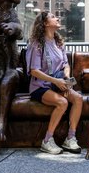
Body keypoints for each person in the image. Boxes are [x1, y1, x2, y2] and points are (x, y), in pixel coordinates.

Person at [26, 11, 83, 154]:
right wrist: (56, 81)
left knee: (78, 98)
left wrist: (66, 78)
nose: (57, 18)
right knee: (62, 102)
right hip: (40, 86)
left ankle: (70, 138)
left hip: (57, 83)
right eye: (53, 17)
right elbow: (34, 71)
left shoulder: (58, 43)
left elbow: (66, 64)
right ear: (45, 24)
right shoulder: (36, 44)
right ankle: (47, 141)